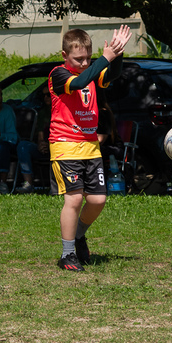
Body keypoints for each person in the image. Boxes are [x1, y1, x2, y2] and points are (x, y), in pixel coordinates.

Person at [50, 25, 131, 271]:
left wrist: (117, 54)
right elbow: (81, 81)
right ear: (65, 56)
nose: (85, 63)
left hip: (90, 147)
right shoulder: (59, 74)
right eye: (78, 59)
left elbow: (111, 76)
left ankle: (78, 236)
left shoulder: (91, 71)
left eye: (88, 58)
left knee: (97, 200)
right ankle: (67, 255)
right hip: (65, 146)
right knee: (74, 200)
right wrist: (102, 59)